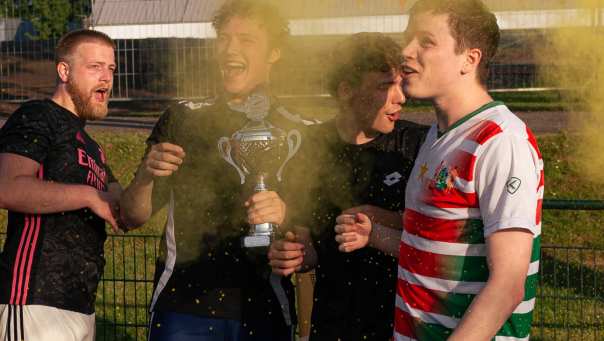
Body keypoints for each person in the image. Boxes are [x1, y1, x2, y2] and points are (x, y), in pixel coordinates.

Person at [335, 1, 544, 340]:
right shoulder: (436, 136)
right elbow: (429, 245)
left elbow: (507, 286)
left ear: (469, 59)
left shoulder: (500, 140)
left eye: (425, 41)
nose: (406, 51)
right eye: (408, 37)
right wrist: (373, 234)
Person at [119, 1, 316, 340]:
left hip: (265, 309)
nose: (230, 50)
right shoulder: (183, 119)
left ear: (275, 52)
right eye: (223, 39)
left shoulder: (299, 130)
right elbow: (132, 216)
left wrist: (287, 215)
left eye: (246, 40)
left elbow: (314, 234)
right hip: (184, 308)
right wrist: (146, 175)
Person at [267, 32, 428, 340]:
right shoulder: (310, 149)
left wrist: (376, 218)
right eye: (385, 86)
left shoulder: (417, 146)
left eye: (400, 83)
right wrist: (296, 254)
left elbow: (437, 232)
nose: (400, 97)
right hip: (333, 326)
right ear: (346, 91)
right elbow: (308, 239)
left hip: (406, 327)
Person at [0, 29, 121, 341]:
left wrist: (154, 169)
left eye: (111, 68)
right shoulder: (38, 115)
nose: (106, 78)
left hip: (81, 306)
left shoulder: (94, 148)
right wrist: (89, 195)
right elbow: (7, 187)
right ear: (64, 71)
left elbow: (125, 209)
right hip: (34, 299)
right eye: (95, 67)